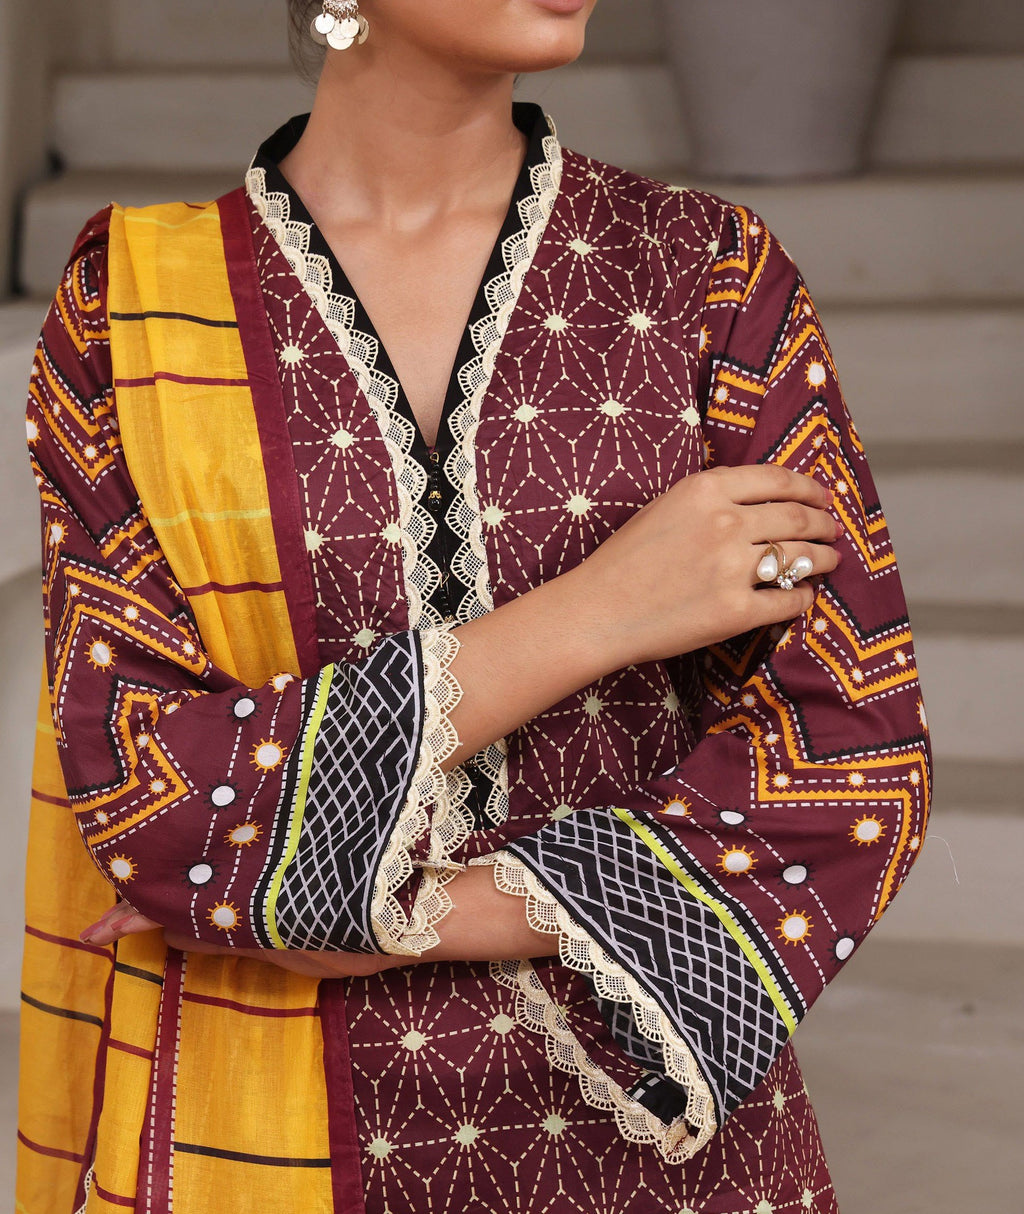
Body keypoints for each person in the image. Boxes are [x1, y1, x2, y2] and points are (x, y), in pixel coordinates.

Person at [17, 1, 932, 1211]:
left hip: (658, 1128)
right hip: (271, 1128)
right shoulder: (129, 306)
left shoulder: (704, 273)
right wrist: (599, 612)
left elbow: (850, 762)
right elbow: (150, 795)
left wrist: (420, 912)